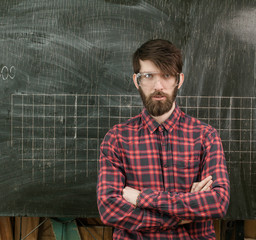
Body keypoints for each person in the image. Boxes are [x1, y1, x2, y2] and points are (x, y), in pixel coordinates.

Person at [96, 39, 230, 239]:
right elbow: (110, 209)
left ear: (179, 80)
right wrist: (183, 212)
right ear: (137, 81)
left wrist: (142, 198)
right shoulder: (116, 138)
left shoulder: (205, 136)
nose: (158, 85)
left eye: (166, 75)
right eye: (148, 76)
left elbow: (218, 202)